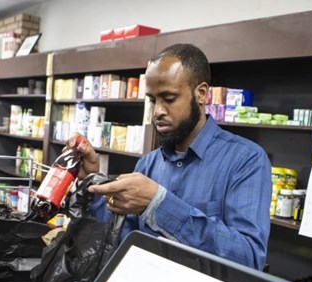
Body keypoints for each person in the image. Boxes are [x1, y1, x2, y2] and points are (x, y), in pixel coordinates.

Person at [67, 43, 271, 270]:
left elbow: (249, 257)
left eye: (169, 98)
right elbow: (118, 238)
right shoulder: (148, 164)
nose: (157, 112)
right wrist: (93, 181)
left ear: (201, 93)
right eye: (153, 100)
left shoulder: (246, 160)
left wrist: (158, 204)